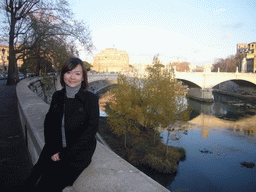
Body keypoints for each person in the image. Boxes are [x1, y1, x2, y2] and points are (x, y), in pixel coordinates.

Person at [23, 58, 99, 192]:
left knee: (47, 184)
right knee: (33, 177)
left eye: (77, 73)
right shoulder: (58, 96)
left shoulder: (91, 100)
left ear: (83, 78)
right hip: (55, 146)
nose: (72, 77)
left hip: (76, 154)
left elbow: (89, 133)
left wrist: (63, 154)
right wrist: (52, 149)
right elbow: (49, 124)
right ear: (63, 75)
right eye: (69, 72)